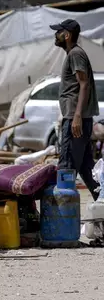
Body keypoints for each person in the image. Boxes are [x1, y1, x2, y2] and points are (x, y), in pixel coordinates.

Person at [51, 18, 100, 199]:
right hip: (75, 118)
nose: (55, 35)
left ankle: (63, 218)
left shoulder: (75, 54)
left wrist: (77, 116)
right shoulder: (73, 54)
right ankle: (102, 204)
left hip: (75, 119)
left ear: (67, 35)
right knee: (87, 168)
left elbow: (84, 83)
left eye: (58, 32)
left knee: (67, 165)